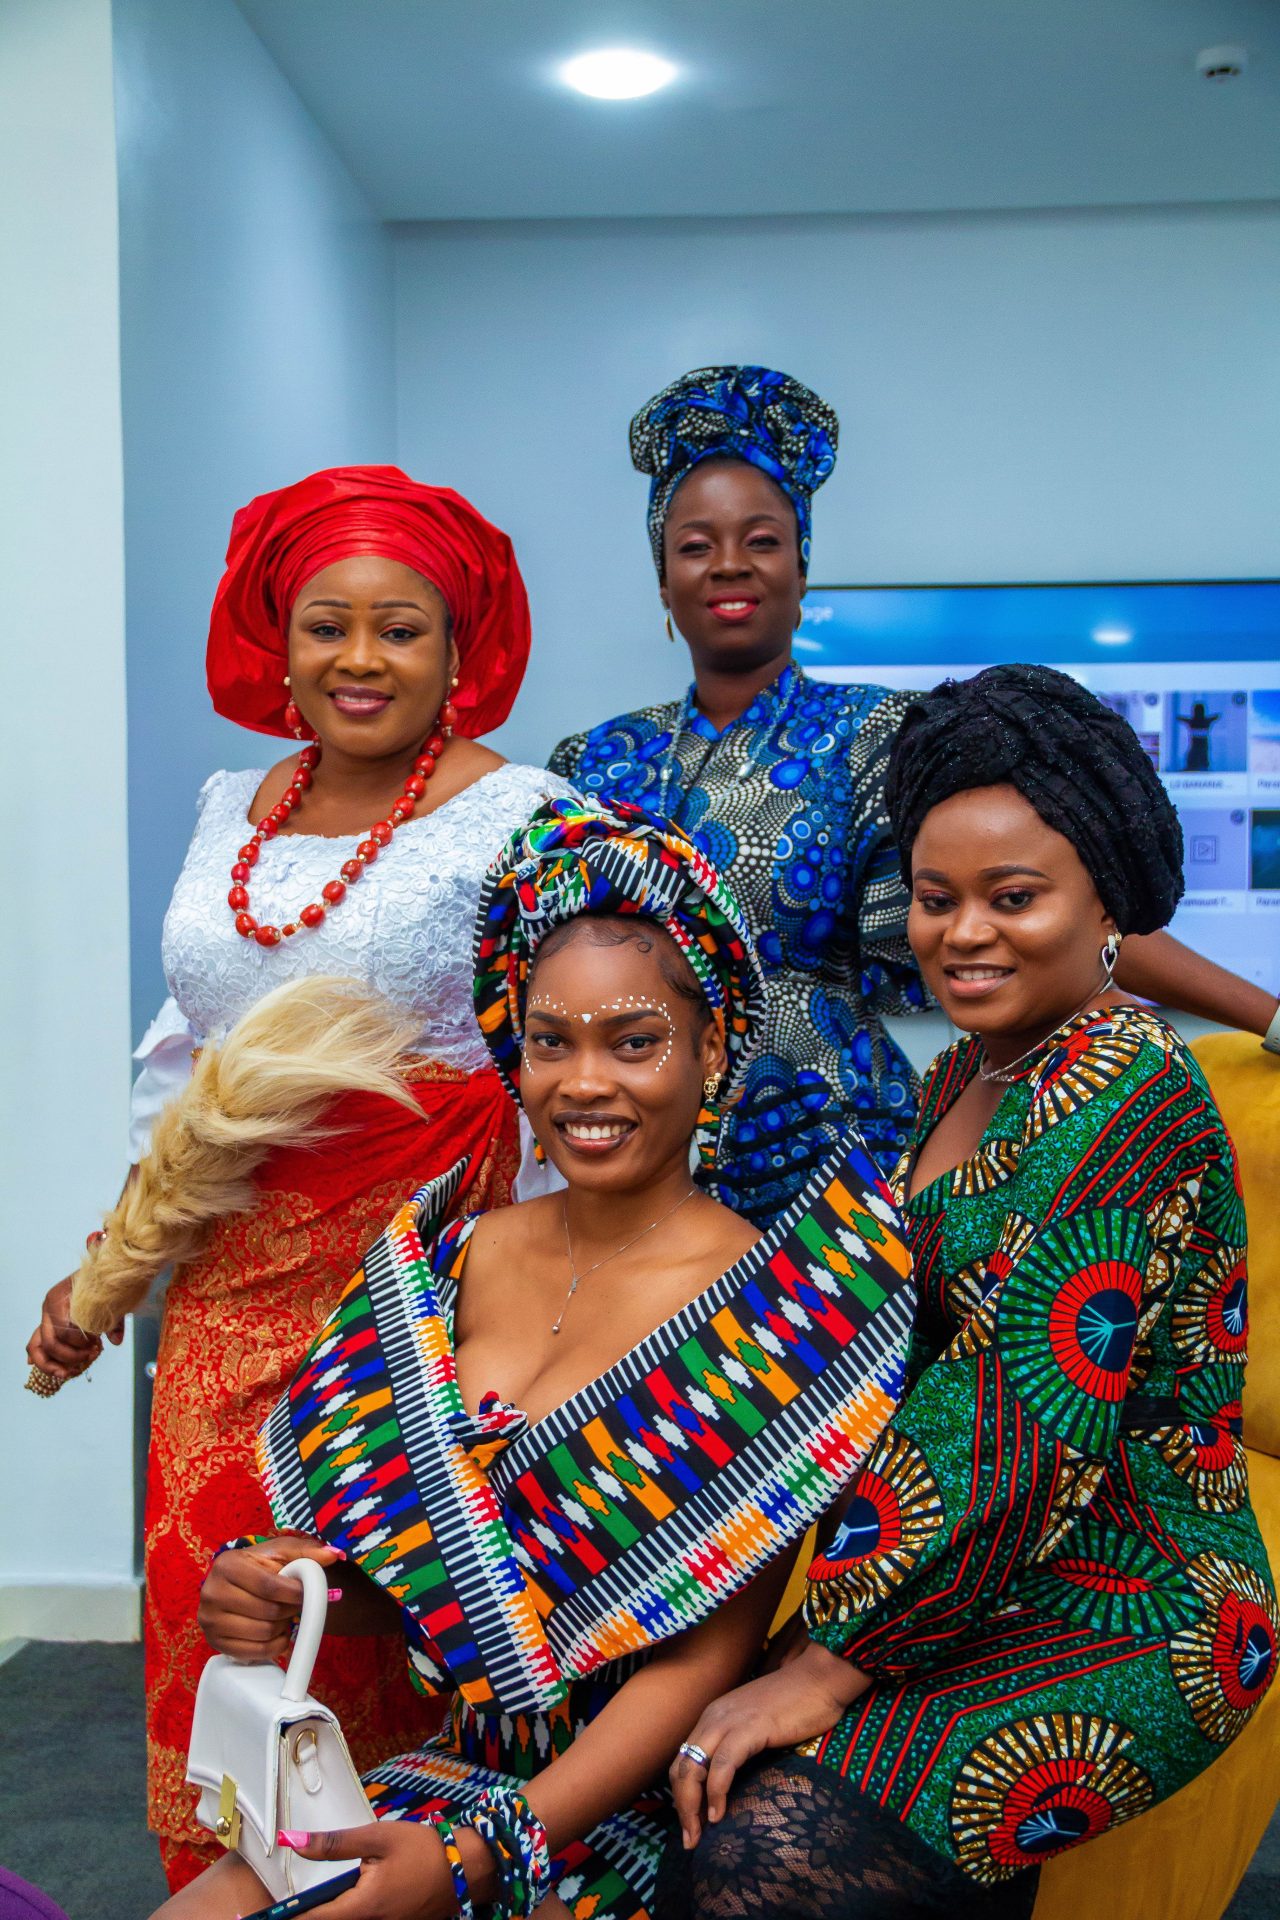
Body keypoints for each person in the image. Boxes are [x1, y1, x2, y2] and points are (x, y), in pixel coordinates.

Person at [154, 799, 917, 1920]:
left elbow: (696, 1665)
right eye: (550, 1041)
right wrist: (291, 1588)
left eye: (633, 1041)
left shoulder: (776, 1312)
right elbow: (456, 1590)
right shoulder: (446, 1257)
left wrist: (480, 1857)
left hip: (631, 1809)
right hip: (450, 1773)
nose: (583, 1083)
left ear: (711, 1049)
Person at [24, 466, 572, 1892]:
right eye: (329, 624)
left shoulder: (530, 816)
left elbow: (577, 1052)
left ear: (458, 648)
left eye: (402, 627)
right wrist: (111, 1261)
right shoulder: (233, 804)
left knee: (369, 1618)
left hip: (419, 1285)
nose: (361, 658)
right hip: (225, 1281)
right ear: (279, 640)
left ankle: (382, 1887)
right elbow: (188, 1053)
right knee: (214, 1621)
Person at [664, 665, 1277, 1917]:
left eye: (1012, 898)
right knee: (685, 1781)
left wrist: (827, 1665)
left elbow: (1016, 1415)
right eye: (935, 900)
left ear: (1106, 902)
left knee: (751, 1855)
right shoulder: (969, 1074)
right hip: (983, 1560)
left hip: (1138, 1593)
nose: (962, 935)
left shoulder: (1124, 1091)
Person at [551, 366, 1280, 1229]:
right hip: (635, 1152)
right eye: (695, 545)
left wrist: (1268, 1015)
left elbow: (1073, 905)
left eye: (763, 539)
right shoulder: (594, 763)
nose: (730, 564)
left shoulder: (883, 733)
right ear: (662, 580)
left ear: (802, 568)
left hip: (837, 1164)